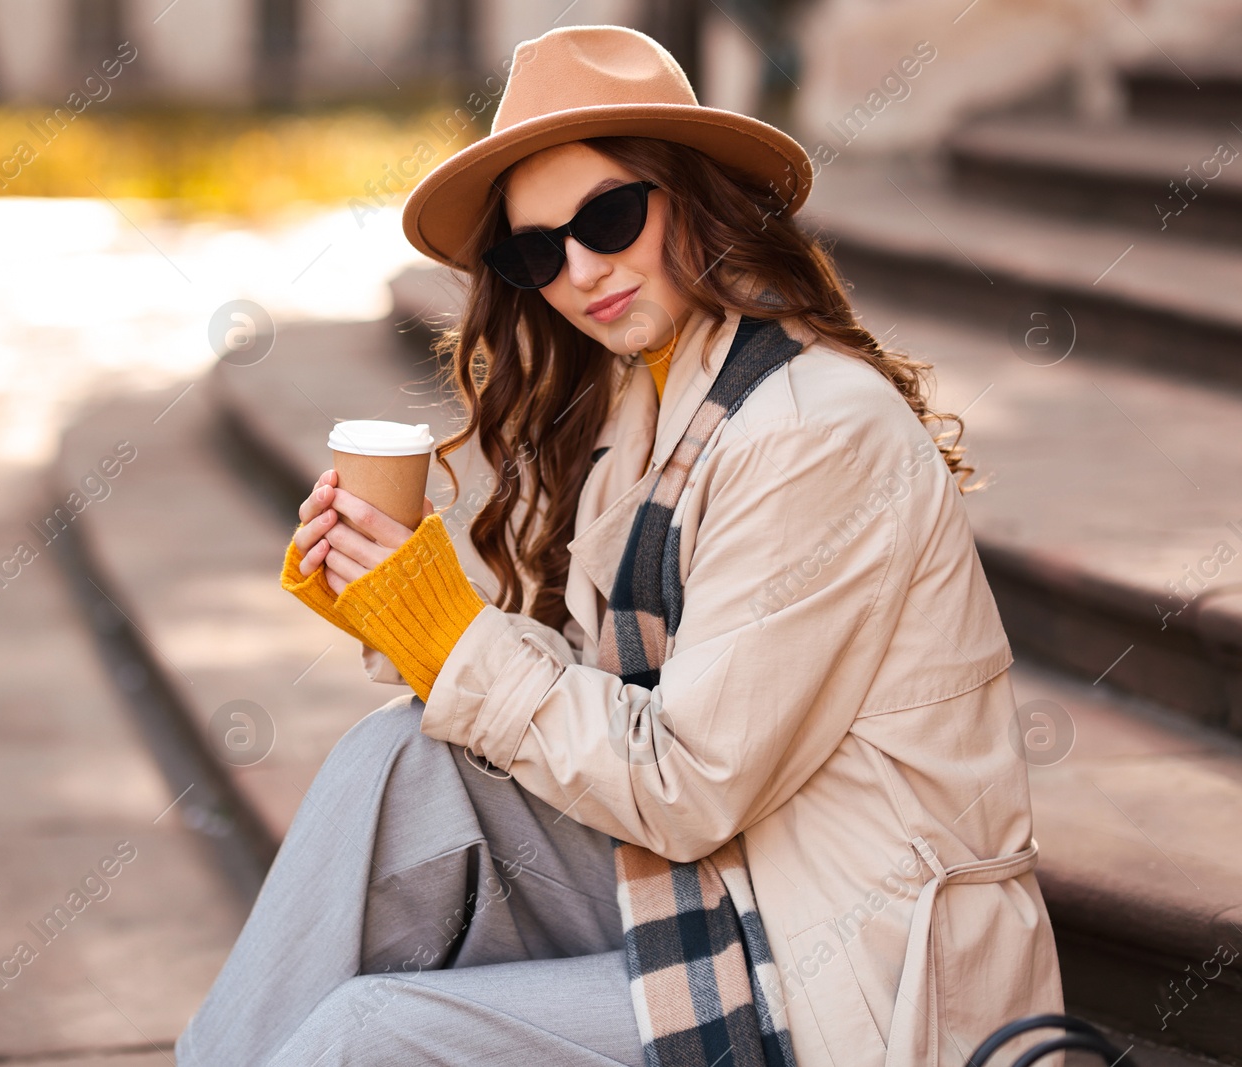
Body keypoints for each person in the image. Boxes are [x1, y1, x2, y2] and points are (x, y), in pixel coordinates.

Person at [175, 23, 1063, 1067]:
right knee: (398, 756)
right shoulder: (645, 410)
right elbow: (619, 712)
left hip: (853, 972)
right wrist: (408, 620)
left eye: (608, 216)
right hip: (734, 876)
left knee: (374, 1034)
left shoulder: (812, 430)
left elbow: (684, 781)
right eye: (535, 250)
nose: (580, 269)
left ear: (689, 196)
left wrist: (455, 640)